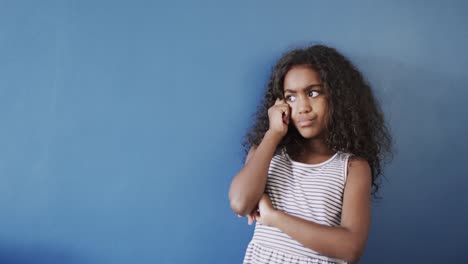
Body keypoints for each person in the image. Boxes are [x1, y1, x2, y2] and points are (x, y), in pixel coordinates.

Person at [228, 44, 393, 264]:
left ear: (336, 97)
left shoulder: (352, 167)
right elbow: (240, 203)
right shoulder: (267, 154)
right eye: (291, 97)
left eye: (313, 93)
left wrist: (274, 218)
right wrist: (274, 133)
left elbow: (351, 248)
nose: (303, 107)